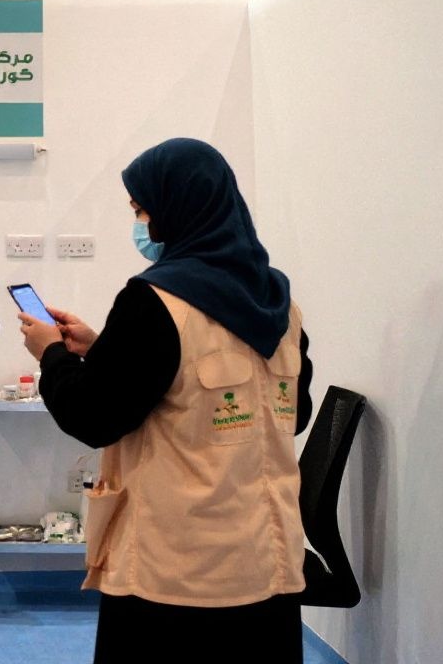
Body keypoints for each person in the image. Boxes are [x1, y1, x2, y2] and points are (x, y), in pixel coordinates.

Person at [17, 138, 313, 663]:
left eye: (142, 210)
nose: (141, 225)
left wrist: (51, 355)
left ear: (177, 208)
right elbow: (292, 414)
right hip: (269, 563)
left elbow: (93, 416)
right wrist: (103, 349)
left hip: (178, 572)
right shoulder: (278, 303)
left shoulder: (153, 301)